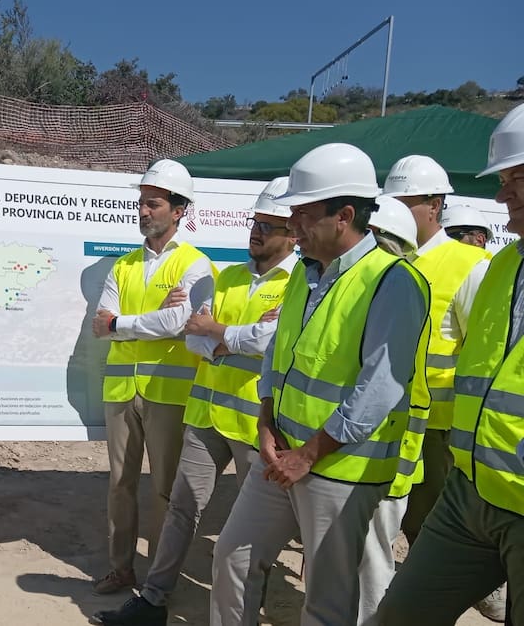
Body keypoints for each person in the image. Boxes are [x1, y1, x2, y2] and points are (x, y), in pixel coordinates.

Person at [209, 143, 430, 626]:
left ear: (344, 215)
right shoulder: (303, 277)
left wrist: (308, 454)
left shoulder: (393, 281)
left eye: (303, 215)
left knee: (327, 599)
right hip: (280, 453)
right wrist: (265, 422)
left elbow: (380, 387)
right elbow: (276, 358)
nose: (293, 228)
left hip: (338, 468)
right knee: (233, 556)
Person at [92, 178, 297, 625]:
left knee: (250, 524)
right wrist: (223, 336)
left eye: (269, 224)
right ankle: (152, 599)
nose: (256, 231)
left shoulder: (295, 284)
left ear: (293, 232)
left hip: (252, 423)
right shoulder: (230, 278)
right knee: (181, 508)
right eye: (255, 222)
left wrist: (218, 334)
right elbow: (191, 335)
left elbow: (275, 342)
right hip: (206, 413)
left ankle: (250, 606)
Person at [378, 104, 524, 626]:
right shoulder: (506, 265)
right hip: (471, 478)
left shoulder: (472, 265)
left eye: (517, 178)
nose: (503, 194)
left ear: (434, 206)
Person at [90, 159, 217, 595]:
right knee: (119, 485)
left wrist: (120, 324)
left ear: (179, 210)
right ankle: (121, 568)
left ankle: (159, 580)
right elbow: (99, 322)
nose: (143, 211)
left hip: (169, 391)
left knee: (165, 489)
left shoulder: (197, 266)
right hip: (122, 391)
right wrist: (147, 318)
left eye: (154, 204)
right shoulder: (121, 266)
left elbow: (179, 322)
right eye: (141, 203)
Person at [356, 194, 428, 625]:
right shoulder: (366, 287)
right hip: (360, 454)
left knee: (374, 557)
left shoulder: (399, 287)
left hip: (387, 454)